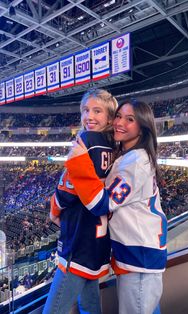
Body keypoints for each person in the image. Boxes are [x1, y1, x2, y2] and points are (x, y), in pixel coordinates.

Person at [65, 99, 168, 314]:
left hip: (139, 257)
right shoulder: (130, 156)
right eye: (119, 116)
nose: (120, 122)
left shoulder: (136, 162)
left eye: (130, 119)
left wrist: (79, 162)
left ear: (143, 127)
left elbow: (102, 204)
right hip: (137, 254)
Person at [43, 89, 117, 314]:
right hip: (98, 243)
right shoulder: (113, 146)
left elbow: (67, 190)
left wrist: (54, 206)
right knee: (90, 306)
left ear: (110, 118)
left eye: (97, 111)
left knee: (53, 310)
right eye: (86, 110)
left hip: (78, 240)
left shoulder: (87, 140)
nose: (89, 116)